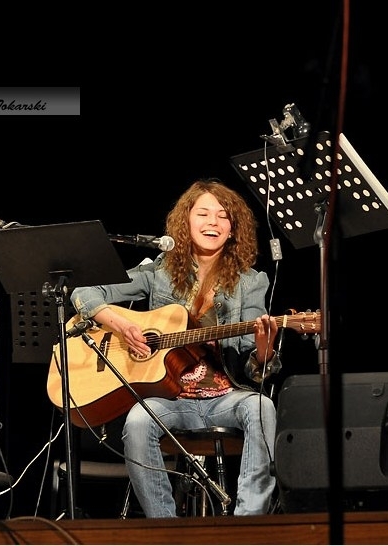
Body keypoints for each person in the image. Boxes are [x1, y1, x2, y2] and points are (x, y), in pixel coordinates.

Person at [70, 178, 281, 517]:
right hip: (169, 399)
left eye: (223, 216)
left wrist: (263, 350)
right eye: (203, 213)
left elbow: (254, 369)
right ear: (186, 221)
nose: (213, 222)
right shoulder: (159, 271)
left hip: (224, 398)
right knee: (138, 420)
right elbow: (84, 293)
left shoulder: (251, 281)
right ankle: (164, 527)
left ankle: (248, 522)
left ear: (233, 229)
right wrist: (122, 326)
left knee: (262, 407)